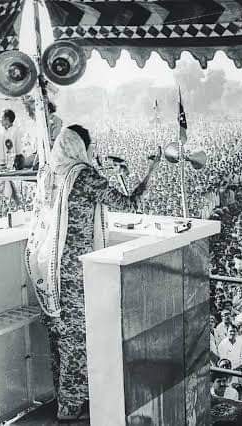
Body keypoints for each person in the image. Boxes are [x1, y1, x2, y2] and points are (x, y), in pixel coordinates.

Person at [25, 125, 159, 421]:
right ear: (80, 146)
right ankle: (70, 409)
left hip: (48, 269)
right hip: (74, 272)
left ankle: (66, 398)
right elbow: (129, 203)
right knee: (75, 341)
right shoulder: (82, 176)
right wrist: (149, 170)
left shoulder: (49, 173)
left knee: (59, 340)